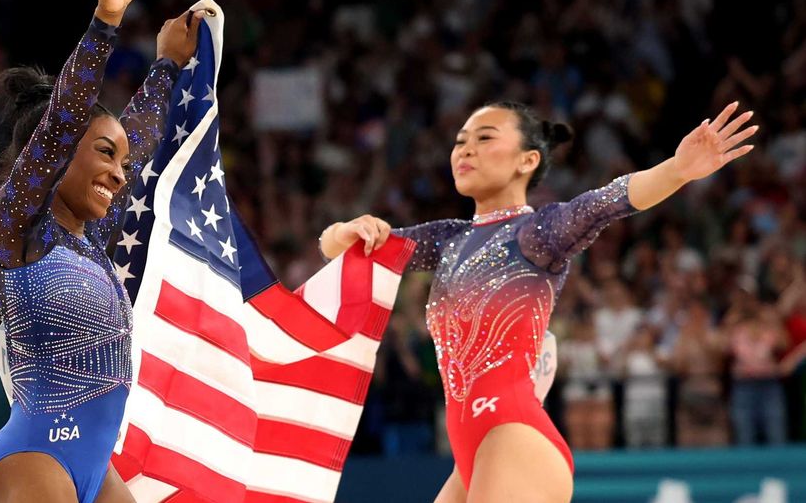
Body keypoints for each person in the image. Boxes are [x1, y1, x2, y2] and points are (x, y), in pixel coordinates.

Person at [318, 100, 756, 503]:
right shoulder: (448, 240)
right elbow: (339, 251)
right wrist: (348, 229)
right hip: (471, 450)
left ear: (527, 160)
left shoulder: (538, 232)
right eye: (459, 141)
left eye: (484, 137)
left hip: (514, 438)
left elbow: (608, 202)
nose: (465, 150)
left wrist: (677, 169)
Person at [0, 0, 201, 503]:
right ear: (52, 157)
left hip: (95, 471)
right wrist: (106, 19)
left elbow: (140, 140)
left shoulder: (90, 245)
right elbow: (66, 118)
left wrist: (167, 65)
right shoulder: (17, 231)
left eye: (119, 162)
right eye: (103, 153)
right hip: (32, 463)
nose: (119, 173)